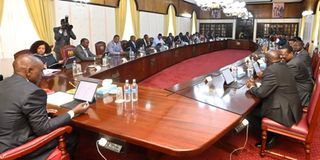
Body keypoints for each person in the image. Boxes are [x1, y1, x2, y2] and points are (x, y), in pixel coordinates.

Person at [0, 54, 89, 159]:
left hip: (3, 143)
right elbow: (43, 129)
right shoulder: (33, 92)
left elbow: (13, 111)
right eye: (41, 71)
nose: (42, 75)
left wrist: (41, 113)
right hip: (17, 151)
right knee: (71, 134)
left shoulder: (3, 83)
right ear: (29, 71)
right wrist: (74, 112)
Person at [246, 50, 302, 148]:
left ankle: (269, 139)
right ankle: (272, 133)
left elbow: (261, 93)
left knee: (250, 113)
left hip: (284, 110)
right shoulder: (284, 65)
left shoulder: (271, 69)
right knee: (259, 105)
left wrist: (251, 87)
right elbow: (276, 80)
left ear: (267, 61)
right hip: (293, 105)